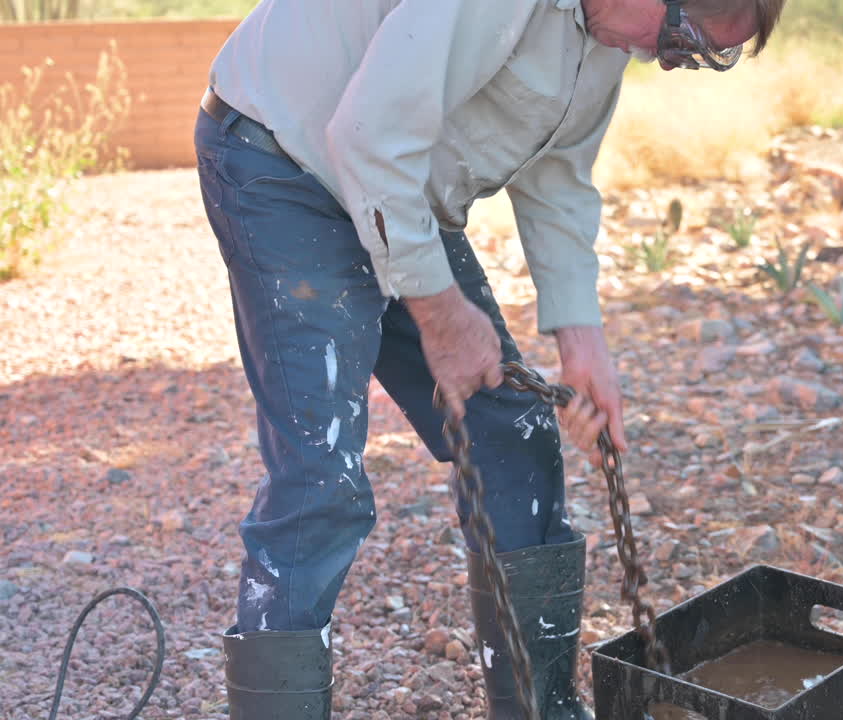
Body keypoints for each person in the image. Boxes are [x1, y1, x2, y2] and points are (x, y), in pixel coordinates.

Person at [194, 0, 784, 717]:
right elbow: (365, 139)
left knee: (512, 432)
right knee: (322, 474)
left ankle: (537, 707)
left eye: (698, 57)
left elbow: (559, 176)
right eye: (682, 38)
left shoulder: (606, 34)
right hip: (283, 161)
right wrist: (440, 313)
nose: (667, 59)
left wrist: (582, 339)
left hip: (395, 191)